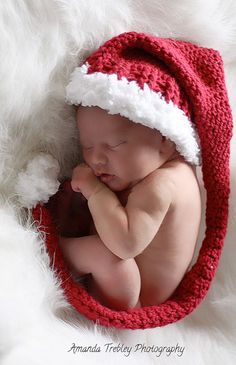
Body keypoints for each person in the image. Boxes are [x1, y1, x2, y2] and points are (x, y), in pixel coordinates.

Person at [59, 32, 203, 310]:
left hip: (131, 295)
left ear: (164, 138)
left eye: (114, 145)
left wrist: (94, 189)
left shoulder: (162, 185)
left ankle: (54, 250)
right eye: (87, 146)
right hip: (135, 284)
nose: (96, 158)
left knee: (108, 255)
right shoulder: (175, 171)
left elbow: (125, 245)